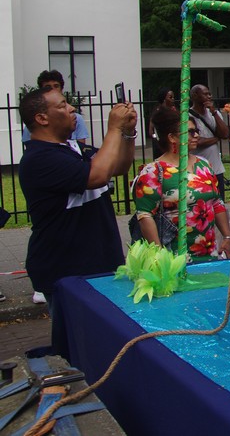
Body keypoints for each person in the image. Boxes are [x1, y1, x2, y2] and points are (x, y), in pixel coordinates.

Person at [19, 87, 136, 359]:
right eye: (62, 105)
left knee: (103, 344)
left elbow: (118, 167)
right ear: (42, 118)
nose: (72, 109)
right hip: (67, 270)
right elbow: (96, 176)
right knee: (78, 349)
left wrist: (127, 133)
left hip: (98, 263)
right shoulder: (39, 158)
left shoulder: (73, 149)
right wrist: (113, 128)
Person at [132, 107, 230, 260]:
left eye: (196, 131)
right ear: (172, 138)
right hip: (174, 257)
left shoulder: (204, 165)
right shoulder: (153, 172)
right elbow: (145, 215)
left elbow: (217, 202)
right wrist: (159, 255)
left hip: (210, 253)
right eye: (190, 132)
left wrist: (227, 236)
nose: (196, 135)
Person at [20, 70, 89, 145]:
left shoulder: (76, 118)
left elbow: (81, 146)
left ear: (61, 89)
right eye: (48, 87)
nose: (52, 90)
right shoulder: (35, 122)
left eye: (56, 86)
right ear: (41, 119)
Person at [190, 84, 230, 195]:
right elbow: (197, 141)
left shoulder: (213, 113)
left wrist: (214, 113)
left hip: (216, 169)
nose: (209, 96)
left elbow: (225, 134)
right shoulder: (189, 117)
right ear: (195, 96)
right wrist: (216, 139)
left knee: (219, 200)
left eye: (209, 94)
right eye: (205, 94)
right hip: (198, 170)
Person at [149, 88, 176, 158]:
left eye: (173, 97)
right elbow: (151, 131)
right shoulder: (158, 112)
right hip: (161, 143)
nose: (173, 99)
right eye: (170, 97)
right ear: (164, 99)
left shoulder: (173, 110)